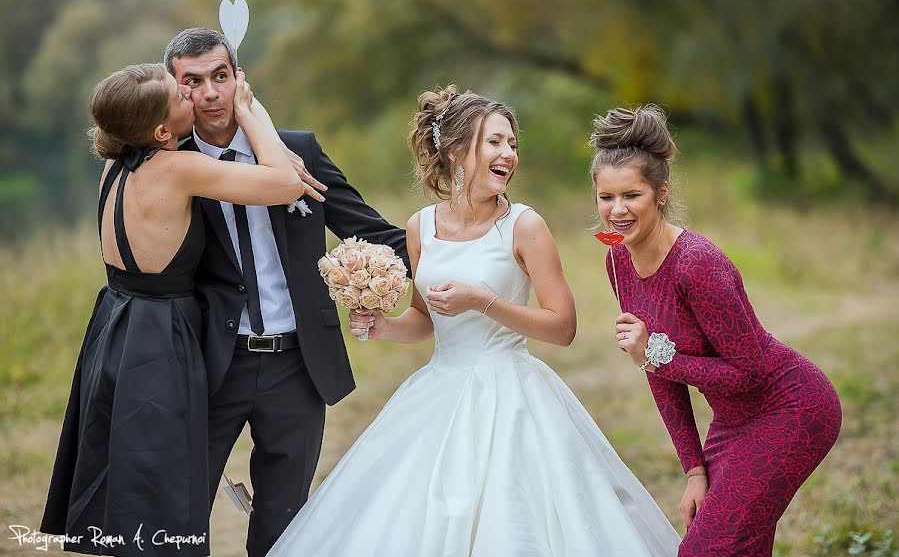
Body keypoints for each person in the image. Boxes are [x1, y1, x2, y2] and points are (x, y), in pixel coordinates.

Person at [266, 85, 681, 556]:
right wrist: (382, 325)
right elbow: (425, 320)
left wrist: (484, 302)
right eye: (495, 142)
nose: (509, 154)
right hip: (439, 390)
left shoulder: (525, 225)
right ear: (458, 151)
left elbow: (563, 327)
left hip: (513, 392)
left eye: (512, 144)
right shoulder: (421, 226)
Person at [40, 63, 305, 556]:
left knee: (128, 472)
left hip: (115, 325)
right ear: (162, 131)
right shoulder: (177, 167)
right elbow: (286, 183)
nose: (191, 94)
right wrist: (248, 108)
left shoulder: (116, 160)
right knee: (166, 485)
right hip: (160, 336)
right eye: (180, 94)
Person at [162, 27, 409, 557]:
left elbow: (372, 230)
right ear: (174, 89)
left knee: (284, 525)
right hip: (210, 363)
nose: (209, 93)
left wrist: (457, 255)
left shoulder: (298, 152)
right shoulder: (170, 166)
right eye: (193, 82)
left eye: (220, 77)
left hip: (297, 363)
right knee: (179, 514)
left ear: (239, 80)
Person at [591, 105, 842, 556]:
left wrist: (657, 356)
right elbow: (661, 375)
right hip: (732, 422)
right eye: (606, 197)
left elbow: (752, 372)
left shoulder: (697, 263)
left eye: (632, 195)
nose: (617, 211)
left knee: (707, 550)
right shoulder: (617, 262)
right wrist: (695, 471)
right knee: (737, 547)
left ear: (661, 192)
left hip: (792, 407)